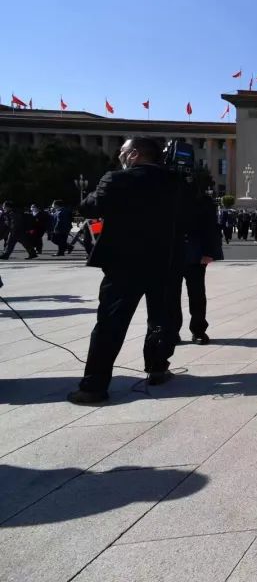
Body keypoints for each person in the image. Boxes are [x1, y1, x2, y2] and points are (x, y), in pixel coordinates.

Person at [67, 137, 182, 405]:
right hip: (165, 262)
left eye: (123, 151)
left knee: (110, 324)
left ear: (133, 154)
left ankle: (94, 387)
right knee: (161, 319)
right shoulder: (176, 182)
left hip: (124, 264)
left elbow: (89, 207)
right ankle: (157, 368)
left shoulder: (117, 179)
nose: (119, 155)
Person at [172, 189, 223, 344]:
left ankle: (198, 330)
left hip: (195, 254)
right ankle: (171, 331)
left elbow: (211, 227)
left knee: (197, 295)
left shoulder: (202, 199)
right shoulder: (166, 194)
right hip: (172, 254)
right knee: (170, 296)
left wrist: (209, 252)